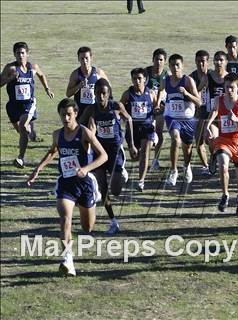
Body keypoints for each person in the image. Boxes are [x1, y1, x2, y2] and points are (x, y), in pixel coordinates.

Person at [27, 98, 108, 276]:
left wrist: (86, 169)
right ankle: (67, 259)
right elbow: (52, 151)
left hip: (84, 183)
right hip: (66, 183)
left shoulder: (84, 132)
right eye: (63, 115)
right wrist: (37, 170)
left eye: (69, 115)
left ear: (76, 114)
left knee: (87, 228)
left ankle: (95, 192)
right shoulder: (57, 134)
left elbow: (103, 156)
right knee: (65, 219)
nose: (66, 118)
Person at [87, 79, 136, 235]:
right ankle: (113, 221)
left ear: (108, 94)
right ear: (94, 94)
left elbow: (129, 119)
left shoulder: (116, 107)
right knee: (103, 188)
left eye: (104, 93)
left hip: (115, 150)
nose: (101, 97)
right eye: (98, 93)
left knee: (115, 191)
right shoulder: (91, 109)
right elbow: (80, 128)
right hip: (99, 151)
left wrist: (131, 144)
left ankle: (122, 174)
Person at [0, 41, 55, 168]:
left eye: (23, 53)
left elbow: (41, 75)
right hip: (13, 105)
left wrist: (47, 89)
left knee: (23, 126)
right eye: (18, 53)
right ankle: (31, 133)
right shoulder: (11, 68)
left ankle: (20, 158)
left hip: (28, 104)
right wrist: (10, 78)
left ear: (27, 54)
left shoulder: (32, 67)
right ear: (14, 54)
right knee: (21, 131)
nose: (20, 55)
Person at [205, 73, 238, 214]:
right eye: (227, 87)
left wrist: (237, 120)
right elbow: (214, 112)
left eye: (232, 87)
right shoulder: (218, 100)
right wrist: (208, 126)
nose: (229, 90)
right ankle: (225, 195)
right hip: (223, 141)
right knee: (223, 165)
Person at [156, 54, 201, 186]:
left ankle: (186, 167)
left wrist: (186, 94)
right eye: (172, 65)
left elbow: (199, 102)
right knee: (175, 139)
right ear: (169, 66)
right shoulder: (166, 80)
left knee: (187, 148)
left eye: (178, 65)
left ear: (182, 66)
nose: (175, 68)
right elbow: (160, 90)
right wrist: (158, 103)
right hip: (172, 117)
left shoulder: (188, 81)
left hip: (187, 118)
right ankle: (173, 170)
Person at [120, 68, 157, 191]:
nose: (137, 81)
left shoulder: (150, 93)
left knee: (145, 153)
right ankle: (123, 168)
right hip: (132, 129)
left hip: (147, 128)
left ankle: (141, 181)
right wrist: (124, 117)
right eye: (134, 79)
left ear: (145, 80)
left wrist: (156, 118)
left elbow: (156, 108)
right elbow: (119, 109)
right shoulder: (127, 94)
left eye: (139, 78)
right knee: (135, 157)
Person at [198, 51, 229, 175]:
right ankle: (214, 157)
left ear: (226, 62)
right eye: (216, 60)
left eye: (221, 60)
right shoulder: (207, 77)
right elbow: (198, 91)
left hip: (227, 116)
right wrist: (201, 104)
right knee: (211, 138)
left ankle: (221, 158)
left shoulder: (230, 78)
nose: (218, 62)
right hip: (212, 115)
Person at [66, 46, 109, 125]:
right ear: (78, 59)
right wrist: (78, 86)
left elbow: (108, 88)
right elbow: (68, 94)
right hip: (81, 110)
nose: (84, 61)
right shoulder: (75, 74)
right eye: (82, 58)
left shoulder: (98, 73)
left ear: (91, 58)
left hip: (96, 109)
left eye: (86, 58)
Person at [145, 48, 169, 171]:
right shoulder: (146, 73)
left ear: (164, 61)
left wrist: (160, 104)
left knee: (159, 132)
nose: (158, 62)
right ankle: (145, 159)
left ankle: (155, 160)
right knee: (148, 133)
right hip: (147, 107)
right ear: (152, 60)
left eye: (161, 60)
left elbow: (166, 91)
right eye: (156, 59)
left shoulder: (166, 75)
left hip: (161, 106)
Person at [189, 50, 210, 174]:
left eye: (203, 61)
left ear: (207, 62)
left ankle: (214, 159)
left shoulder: (213, 75)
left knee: (211, 140)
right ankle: (206, 166)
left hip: (213, 111)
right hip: (199, 112)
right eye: (198, 61)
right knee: (198, 141)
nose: (201, 64)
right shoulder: (191, 78)